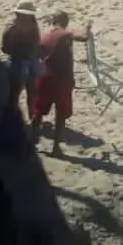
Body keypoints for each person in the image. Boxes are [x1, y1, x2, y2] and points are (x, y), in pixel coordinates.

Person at [31, 11, 91, 155]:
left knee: (39, 111)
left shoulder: (45, 36)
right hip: (62, 80)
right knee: (60, 114)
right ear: (65, 22)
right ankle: (56, 147)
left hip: (45, 77)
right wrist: (88, 27)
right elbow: (83, 37)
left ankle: (32, 140)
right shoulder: (65, 34)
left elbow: (37, 55)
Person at [0, 2, 41, 127]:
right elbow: (5, 48)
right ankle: (24, 118)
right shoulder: (25, 26)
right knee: (24, 93)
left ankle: (22, 118)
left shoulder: (17, 27)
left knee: (23, 92)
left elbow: (5, 49)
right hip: (26, 62)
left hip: (24, 62)